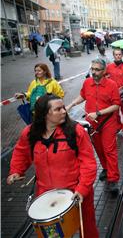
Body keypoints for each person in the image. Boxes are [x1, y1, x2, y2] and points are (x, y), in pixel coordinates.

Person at [7, 94, 99, 237]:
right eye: (58, 109)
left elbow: (88, 163)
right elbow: (21, 152)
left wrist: (82, 189)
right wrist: (16, 171)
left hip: (77, 192)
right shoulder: (30, 133)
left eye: (63, 107)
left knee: (87, 230)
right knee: (52, 235)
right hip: (46, 195)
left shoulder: (76, 131)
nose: (64, 111)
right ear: (45, 114)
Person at [66, 58, 121, 194]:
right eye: (93, 69)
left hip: (107, 121)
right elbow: (83, 96)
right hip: (92, 123)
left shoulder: (112, 85)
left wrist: (98, 113)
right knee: (99, 148)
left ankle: (113, 179)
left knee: (109, 150)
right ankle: (106, 168)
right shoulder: (87, 82)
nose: (94, 72)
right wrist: (71, 104)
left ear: (104, 71)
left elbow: (116, 105)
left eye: (97, 69)